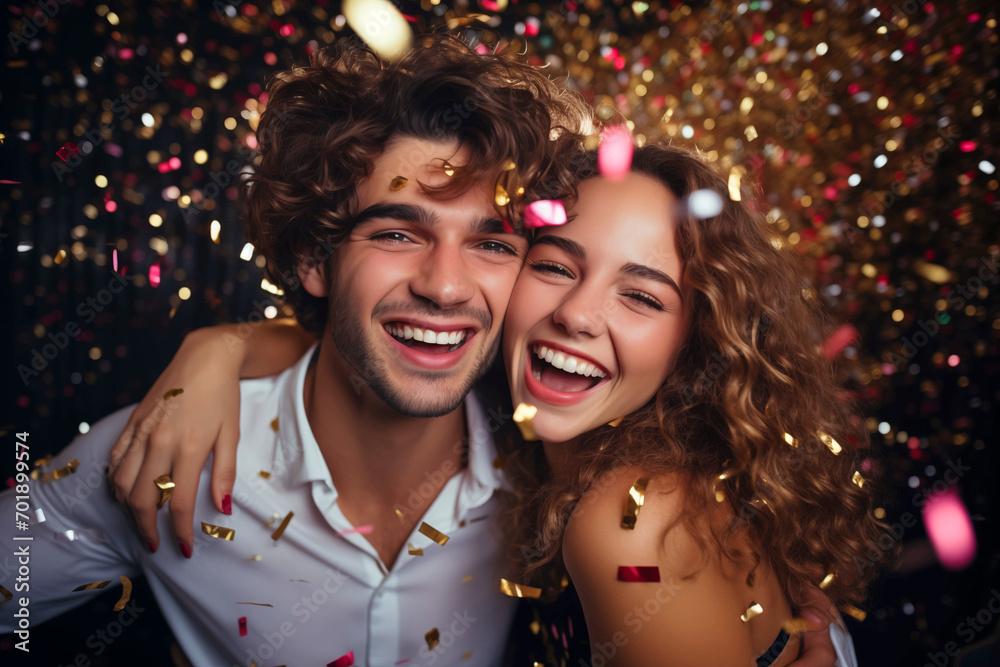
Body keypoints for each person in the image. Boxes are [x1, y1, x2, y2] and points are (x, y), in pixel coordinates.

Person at [101, 143, 888, 664]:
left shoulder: (629, 516)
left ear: (698, 338)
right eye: (553, 266)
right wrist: (218, 347)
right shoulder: (532, 434)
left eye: (642, 297)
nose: (578, 315)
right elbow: (363, 340)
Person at [0, 32, 597, 666]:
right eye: (397, 233)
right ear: (315, 260)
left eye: (493, 244)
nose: (446, 286)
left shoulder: (553, 471)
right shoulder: (165, 449)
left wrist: (228, 343)